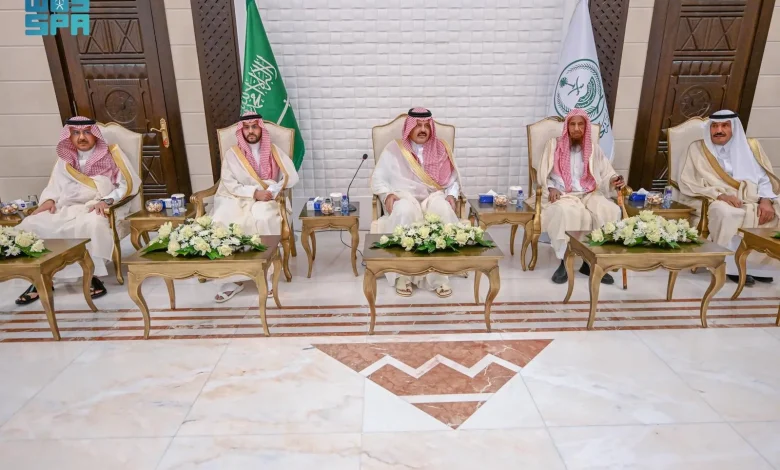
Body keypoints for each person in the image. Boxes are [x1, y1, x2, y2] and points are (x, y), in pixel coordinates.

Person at [15, 116, 141, 305]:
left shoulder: (112, 154)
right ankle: (40, 278)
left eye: (86, 132)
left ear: (95, 134)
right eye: (76, 133)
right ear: (69, 136)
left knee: (92, 224)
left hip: (95, 205)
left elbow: (125, 184)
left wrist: (107, 200)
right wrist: (48, 200)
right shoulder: (64, 160)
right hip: (65, 206)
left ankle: (92, 275)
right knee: (30, 224)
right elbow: (54, 186)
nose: (81, 137)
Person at [679, 109, 779, 285]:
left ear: (734, 128)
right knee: (726, 213)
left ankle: (758, 268)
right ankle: (729, 266)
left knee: (775, 212)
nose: (719, 130)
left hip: (753, 198)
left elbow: (764, 179)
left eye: (725, 125)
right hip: (714, 198)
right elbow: (688, 181)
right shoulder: (697, 149)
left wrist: (766, 200)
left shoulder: (751, 147)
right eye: (715, 126)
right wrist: (720, 195)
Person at [371, 108, 462, 297]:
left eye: (426, 126)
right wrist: (387, 195)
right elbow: (378, 178)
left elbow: (452, 181)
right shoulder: (394, 149)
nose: (423, 130)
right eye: (418, 125)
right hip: (405, 197)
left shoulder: (441, 148)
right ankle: (403, 275)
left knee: (442, 209)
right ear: (409, 128)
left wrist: (452, 195)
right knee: (404, 211)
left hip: (433, 196)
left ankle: (440, 277)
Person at [211, 112, 299, 302]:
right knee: (221, 220)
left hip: (267, 199)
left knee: (264, 219)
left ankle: (266, 275)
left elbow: (290, 176)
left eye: (254, 127)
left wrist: (273, 190)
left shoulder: (274, 150)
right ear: (241, 130)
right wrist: (253, 193)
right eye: (246, 127)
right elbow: (229, 183)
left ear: (261, 129)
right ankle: (231, 280)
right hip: (237, 197)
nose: (250, 131)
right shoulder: (232, 154)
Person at [531, 108, 625, 284]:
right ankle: (564, 261)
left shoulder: (593, 149)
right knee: (569, 213)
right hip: (563, 194)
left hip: (590, 193)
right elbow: (544, 173)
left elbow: (606, 173)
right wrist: (551, 188)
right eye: (572, 124)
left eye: (580, 124)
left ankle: (592, 262)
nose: (576, 128)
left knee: (611, 210)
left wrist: (614, 180)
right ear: (567, 126)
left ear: (585, 127)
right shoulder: (553, 146)